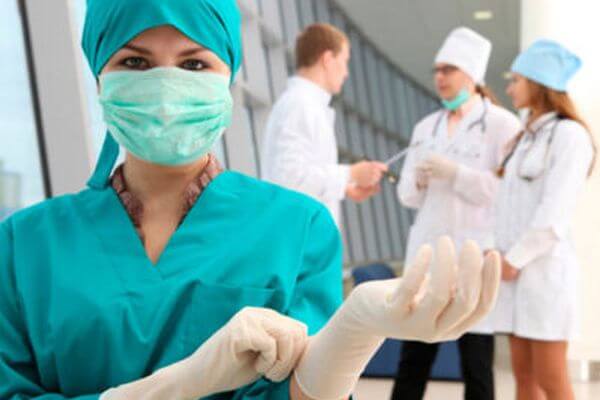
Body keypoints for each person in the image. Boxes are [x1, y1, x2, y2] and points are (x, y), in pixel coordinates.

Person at [0, 2, 502, 398]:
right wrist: (180, 384)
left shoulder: (298, 228)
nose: (168, 87)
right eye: (135, 62)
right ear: (99, 77)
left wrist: (353, 332)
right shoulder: (23, 244)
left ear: (229, 79)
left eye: (194, 63)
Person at [392, 27, 521, 400]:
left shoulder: (502, 124)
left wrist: (456, 174)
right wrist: (418, 180)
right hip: (428, 253)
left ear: (472, 74)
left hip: (473, 253)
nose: (440, 77)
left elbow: (507, 194)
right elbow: (406, 196)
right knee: (413, 358)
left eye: (449, 69)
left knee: (476, 363)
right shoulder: (425, 127)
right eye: (437, 69)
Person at [494, 39, 596, 400]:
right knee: (523, 377)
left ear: (538, 82)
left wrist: (515, 259)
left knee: (551, 379)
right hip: (513, 273)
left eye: (516, 80)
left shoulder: (570, 136)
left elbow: (555, 212)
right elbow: (506, 205)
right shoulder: (525, 138)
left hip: (544, 272)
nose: (509, 88)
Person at [261, 23, 387, 226]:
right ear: (327, 59)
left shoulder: (302, 104)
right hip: (298, 236)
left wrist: (346, 186)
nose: (346, 73)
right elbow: (289, 179)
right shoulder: (300, 105)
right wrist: (350, 173)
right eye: (344, 61)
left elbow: (301, 173)